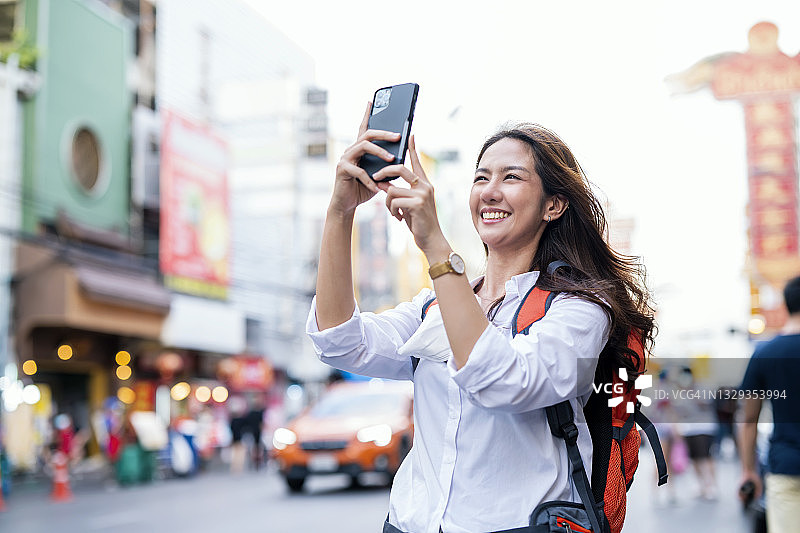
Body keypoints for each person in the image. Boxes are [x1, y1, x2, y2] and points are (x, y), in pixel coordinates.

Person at [307, 105, 655, 533]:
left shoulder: (581, 308)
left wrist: (435, 245)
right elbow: (341, 341)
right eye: (481, 177)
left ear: (553, 204)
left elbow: (505, 382)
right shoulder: (432, 306)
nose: (490, 191)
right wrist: (340, 211)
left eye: (511, 177)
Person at [739, 276, 800, 530]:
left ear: (786, 306)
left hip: (785, 465)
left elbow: (749, 420)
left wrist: (748, 471)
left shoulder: (765, 353)